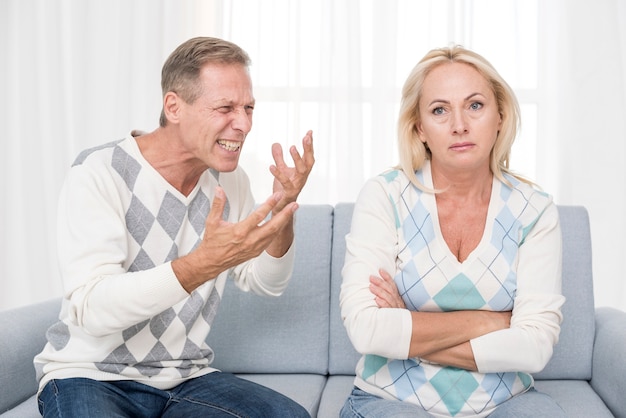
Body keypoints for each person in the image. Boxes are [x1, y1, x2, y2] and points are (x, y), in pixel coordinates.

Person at [34, 37, 314, 417]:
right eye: (225, 108)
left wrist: (283, 211)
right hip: (89, 375)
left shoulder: (231, 182)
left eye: (248, 108)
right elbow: (93, 309)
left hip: (186, 377)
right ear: (174, 106)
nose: (244, 124)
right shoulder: (100, 172)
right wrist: (202, 264)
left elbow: (266, 282)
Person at [339, 45, 566, 418]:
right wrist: (489, 322)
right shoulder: (385, 195)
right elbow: (367, 331)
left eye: (475, 105)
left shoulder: (535, 210)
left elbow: (536, 347)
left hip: (507, 401)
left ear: (500, 116)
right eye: (439, 110)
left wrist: (406, 331)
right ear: (420, 129)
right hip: (390, 400)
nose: (459, 124)